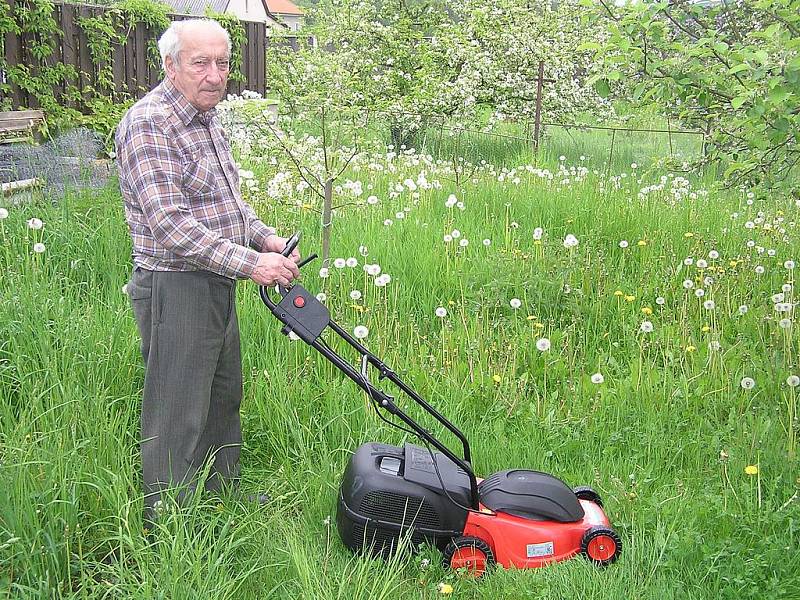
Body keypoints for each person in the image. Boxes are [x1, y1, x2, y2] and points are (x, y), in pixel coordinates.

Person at [115, 18, 300, 522]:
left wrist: (265, 238)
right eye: (201, 62)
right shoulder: (149, 123)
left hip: (216, 279)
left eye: (222, 62)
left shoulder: (207, 119)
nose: (215, 74)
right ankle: (169, 523)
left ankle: (221, 495)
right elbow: (171, 224)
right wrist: (253, 263)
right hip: (175, 286)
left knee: (222, 396)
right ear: (171, 65)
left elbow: (227, 207)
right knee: (177, 410)